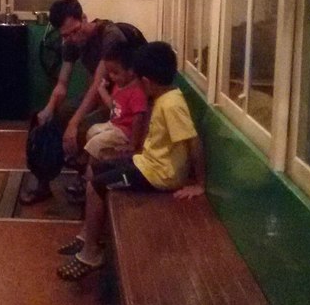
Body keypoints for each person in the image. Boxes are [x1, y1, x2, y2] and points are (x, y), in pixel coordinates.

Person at [56, 41, 205, 281]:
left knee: (97, 186)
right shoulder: (166, 98)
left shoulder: (171, 104)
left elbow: (193, 141)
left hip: (158, 175)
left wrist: (199, 183)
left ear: (146, 81)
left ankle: (91, 254)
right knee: (96, 168)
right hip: (147, 163)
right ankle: (88, 236)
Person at [19, 0, 144, 205]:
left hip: (120, 100)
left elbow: (97, 84)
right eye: (66, 35)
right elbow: (62, 84)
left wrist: (74, 123)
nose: (72, 38)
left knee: (82, 127)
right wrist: (48, 110)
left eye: (75, 31)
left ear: (84, 18)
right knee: (55, 118)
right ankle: (44, 183)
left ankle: (86, 180)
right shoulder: (70, 42)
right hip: (101, 94)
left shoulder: (110, 36)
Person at [74, 40, 148, 189]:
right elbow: (113, 107)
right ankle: (91, 165)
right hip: (115, 124)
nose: (112, 77)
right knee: (91, 131)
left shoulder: (136, 92)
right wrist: (102, 90)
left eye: (116, 73)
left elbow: (139, 119)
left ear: (131, 71)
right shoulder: (120, 86)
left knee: (95, 143)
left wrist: (133, 144)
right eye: (109, 73)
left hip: (124, 132)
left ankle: (88, 179)